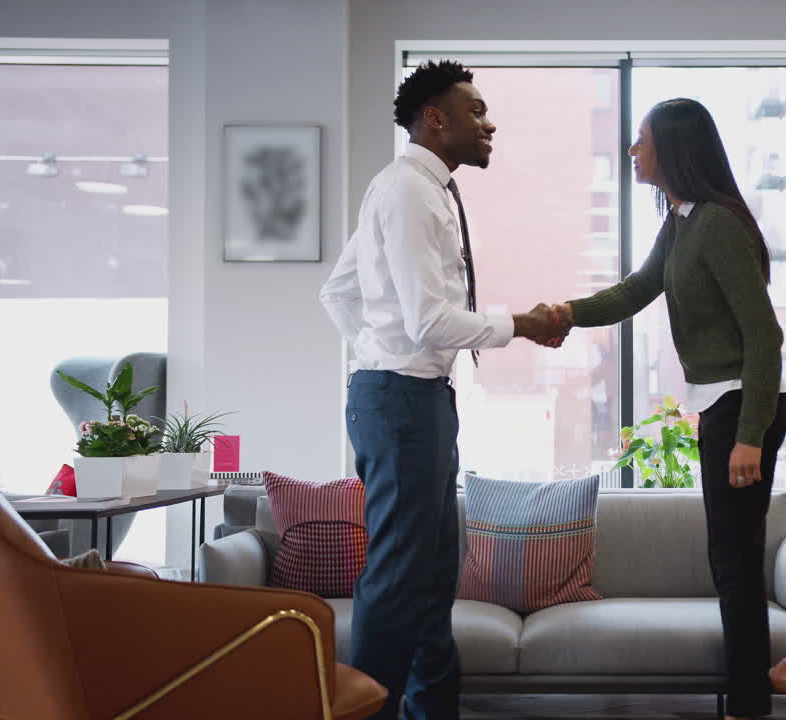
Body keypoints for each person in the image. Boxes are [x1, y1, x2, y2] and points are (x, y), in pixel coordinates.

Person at [319, 60, 566, 720]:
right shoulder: (406, 192)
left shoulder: (422, 190)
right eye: (476, 111)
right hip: (401, 400)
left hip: (414, 398)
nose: (489, 123)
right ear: (437, 119)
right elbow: (429, 319)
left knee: (431, 576)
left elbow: (339, 291)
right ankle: (367, 710)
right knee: (400, 577)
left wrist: (381, 348)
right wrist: (524, 325)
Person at [551, 98, 786, 720]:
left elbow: (765, 338)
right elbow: (635, 289)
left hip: (743, 407)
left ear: (674, 150)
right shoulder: (682, 222)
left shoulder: (720, 225)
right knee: (728, 561)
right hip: (720, 407)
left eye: (641, 141)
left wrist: (750, 437)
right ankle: (749, 701)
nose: (633, 150)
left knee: (734, 566)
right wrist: (565, 314)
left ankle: (748, 707)